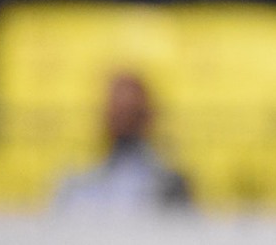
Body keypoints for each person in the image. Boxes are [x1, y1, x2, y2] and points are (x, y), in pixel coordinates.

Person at [53, 71, 192, 212]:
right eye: (119, 113)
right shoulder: (77, 183)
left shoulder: (172, 184)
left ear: (147, 117)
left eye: (132, 113)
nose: (125, 121)